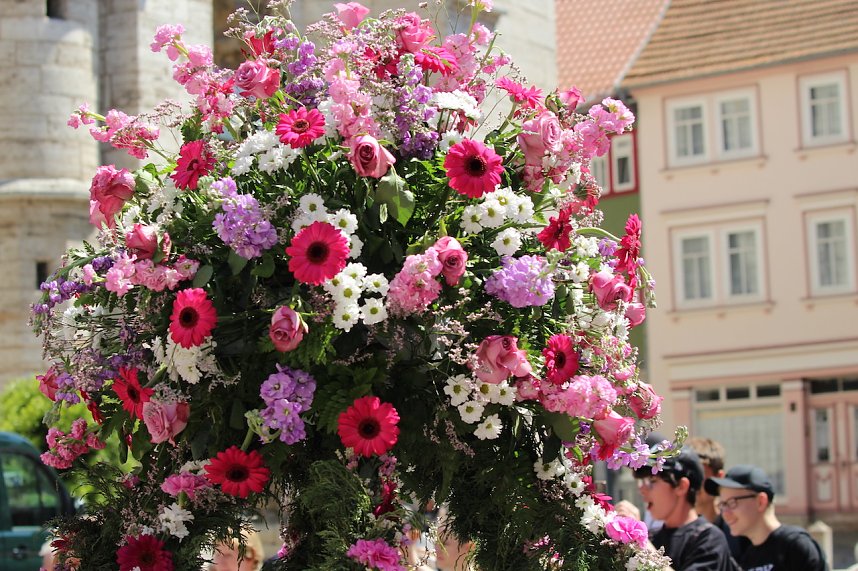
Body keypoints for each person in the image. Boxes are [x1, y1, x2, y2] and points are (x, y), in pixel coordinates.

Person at [704, 465, 828, 571]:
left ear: (761, 502)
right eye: (722, 504)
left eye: (731, 503)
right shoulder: (748, 557)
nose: (725, 513)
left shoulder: (795, 545)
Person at [633, 446, 738, 570]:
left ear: (681, 486)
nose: (642, 490)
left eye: (652, 480)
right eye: (641, 481)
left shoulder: (708, 538)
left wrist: (639, 541)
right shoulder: (652, 538)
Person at [686, 436, 749, 561]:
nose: (693, 483)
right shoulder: (678, 533)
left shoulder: (738, 530)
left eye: (700, 474)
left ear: (719, 477)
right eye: (687, 475)